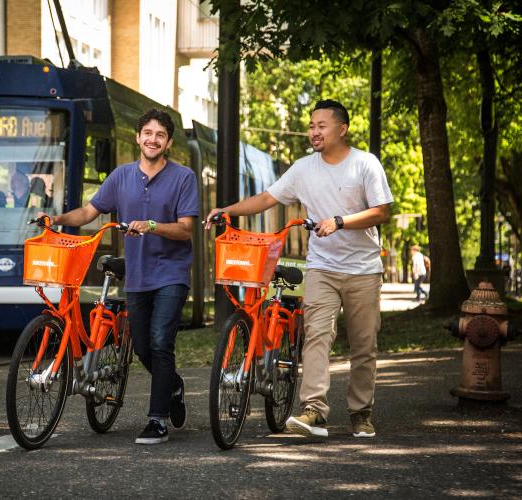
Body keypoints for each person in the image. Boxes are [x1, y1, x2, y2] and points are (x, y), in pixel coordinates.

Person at [205, 99, 393, 439]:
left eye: (321, 125)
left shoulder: (365, 164)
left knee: (364, 344)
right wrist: (227, 210)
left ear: (342, 129)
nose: (314, 131)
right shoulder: (304, 168)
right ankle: (314, 409)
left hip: (364, 269)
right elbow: (267, 198)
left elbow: (381, 211)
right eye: (311, 125)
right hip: (322, 266)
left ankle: (361, 413)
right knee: (317, 337)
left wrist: (339, 222)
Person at [40, 109, 199, 445]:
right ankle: (173, 385)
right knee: (141, 348)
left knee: (159, 341)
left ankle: (157, 420)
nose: (153, 139)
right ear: (137, 137)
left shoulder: (183, 177)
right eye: (147, 133)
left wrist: (153, 225)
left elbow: (186, 230)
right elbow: (88, 212)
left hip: (171, 273)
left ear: (168, 142)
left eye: (160, 135)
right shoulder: (121, 176)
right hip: (138, 276)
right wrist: (56, 218)